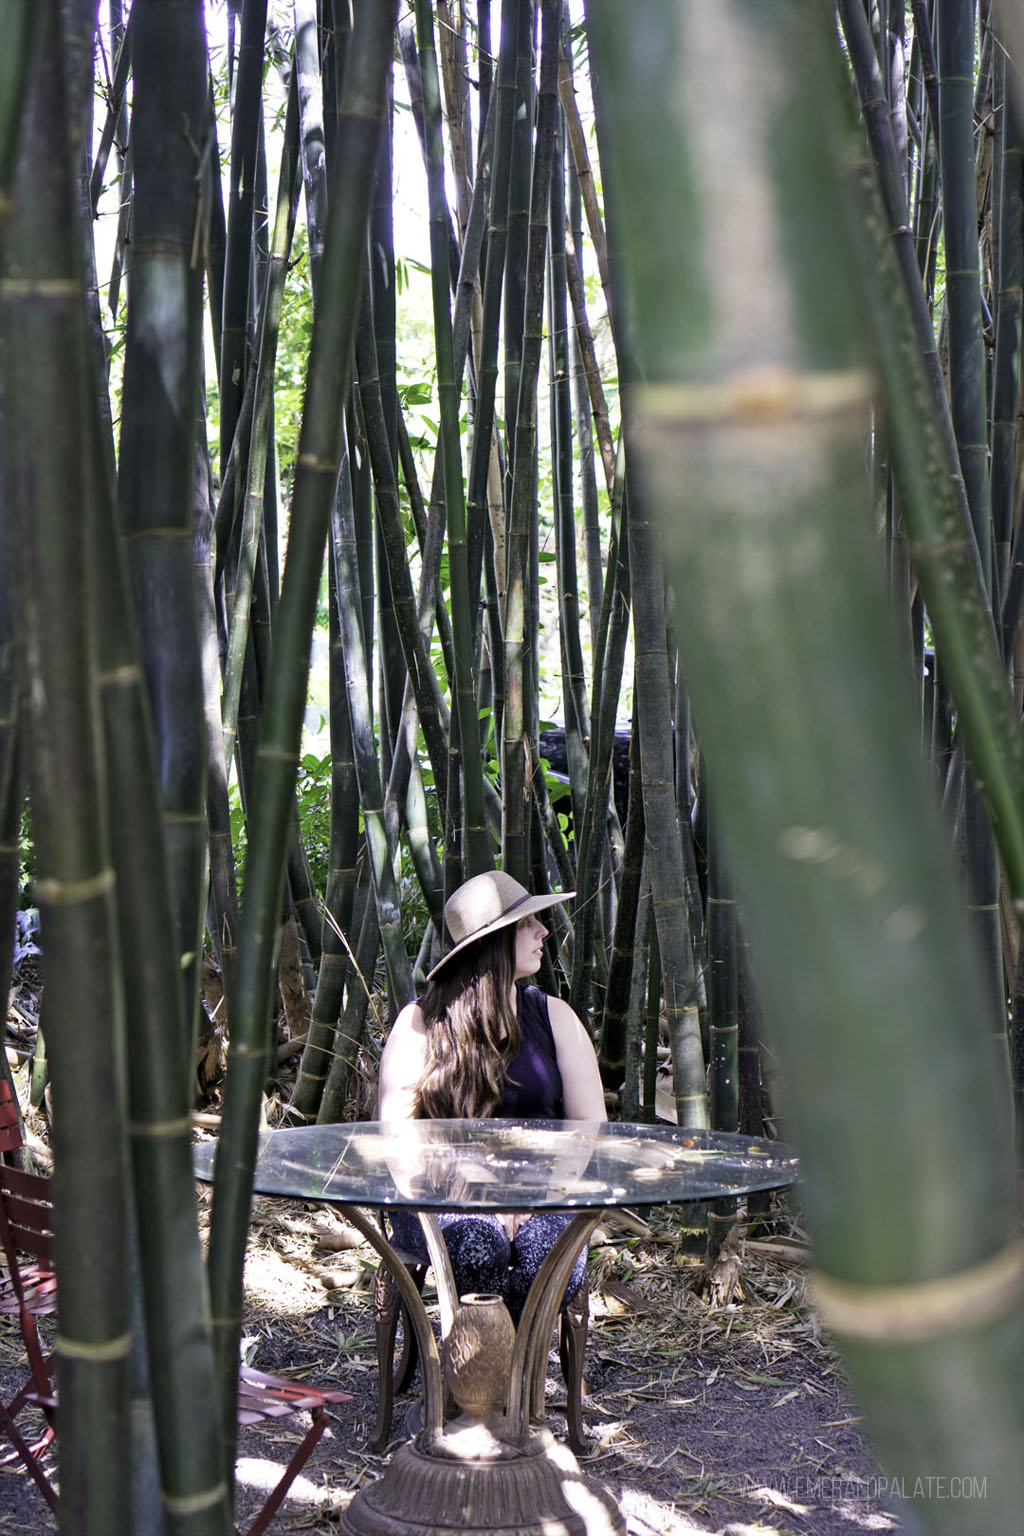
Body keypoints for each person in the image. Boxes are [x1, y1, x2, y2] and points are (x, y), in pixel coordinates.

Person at [378, 870, 606, 1326]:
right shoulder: (420, 1025)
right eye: (527, 924)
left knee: (549, 1257)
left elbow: (590, 1130)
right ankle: (482, 1386)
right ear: (494, 941)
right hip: (439, 1199)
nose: (543, 931)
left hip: (542, 1193)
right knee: (477, 1246)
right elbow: (398, 1143)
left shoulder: (554, 1017)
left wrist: (532, 1197)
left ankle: (507, 1380)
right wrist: (476, 1196)